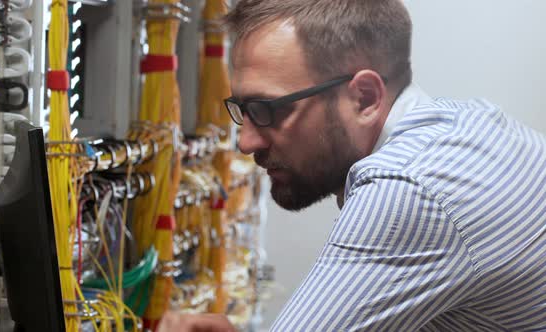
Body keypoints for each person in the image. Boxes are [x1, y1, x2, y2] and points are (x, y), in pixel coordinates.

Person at [159, 0, 546, 330]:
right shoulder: (465, 125)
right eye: (243, 110)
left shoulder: (409, 189)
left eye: (267, 110)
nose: (245, 142)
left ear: (364, 98)